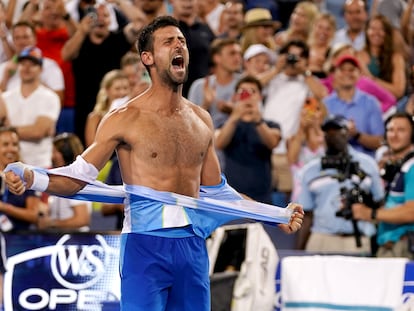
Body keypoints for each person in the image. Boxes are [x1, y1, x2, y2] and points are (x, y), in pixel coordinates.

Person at [4, 16, 304, 310]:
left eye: (182, 41)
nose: (179, 46)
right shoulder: (124, 118)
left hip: (193, 246)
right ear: (147, 58)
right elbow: (77, 178)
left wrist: (274, 214)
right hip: (145, 246)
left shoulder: (201, 120)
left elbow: (219, 194)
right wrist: (32, 177)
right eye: (169, 42)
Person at [296, 114, 384, 255]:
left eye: (338, 131)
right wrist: (299, 251)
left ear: (347, 134)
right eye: (328, 133)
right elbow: (306, 214)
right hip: (322, 238)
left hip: (356, 238)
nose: (333, 136)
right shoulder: (311, 170)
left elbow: (379, 203)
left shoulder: (367, 165)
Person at [352, 112, 414, 259]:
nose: (394, 135)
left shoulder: (411, 167)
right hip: (389, 245)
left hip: (403, 246)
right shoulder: (394, 167)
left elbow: (411, 211)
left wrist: (371, 214)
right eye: (391, 130)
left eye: (401, 130)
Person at [215, 75, 281, 204]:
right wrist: (234, 116)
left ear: (260, 97)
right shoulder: (225, 124)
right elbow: (219, 143)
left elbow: (272, 142)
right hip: (233, 197)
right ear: (235, 96)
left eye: (252, 91)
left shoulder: (271, 125)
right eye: (242, 91)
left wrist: (258, 120)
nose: (247, 95)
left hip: (263, 197)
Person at [0, 46, 61, 168]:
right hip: (10, 168)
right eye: (23, 64)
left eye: (32, 64)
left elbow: (37, 131)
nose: (27, 68)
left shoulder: (50, 97)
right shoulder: (6, 97)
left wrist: (7, 130)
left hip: (39, 166)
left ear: (41, 69)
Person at [323, 54, 384, 158]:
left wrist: (356, 135)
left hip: (363, 163)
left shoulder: (371, 102)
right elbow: (319, 139)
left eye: (351, 70)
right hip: (332, 161)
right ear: (334, 74)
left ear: (359, 73)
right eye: (342, 69)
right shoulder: (326, 103)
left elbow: (379, 142)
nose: (347, 73)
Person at [37, 132, 92, 231]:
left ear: (65, 154)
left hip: (77, 242)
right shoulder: (58, 180)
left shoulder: (76, 181)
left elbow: (82, 219)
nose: (51, 157)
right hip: (61, 240)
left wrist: (52, 223)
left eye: (54, 152)